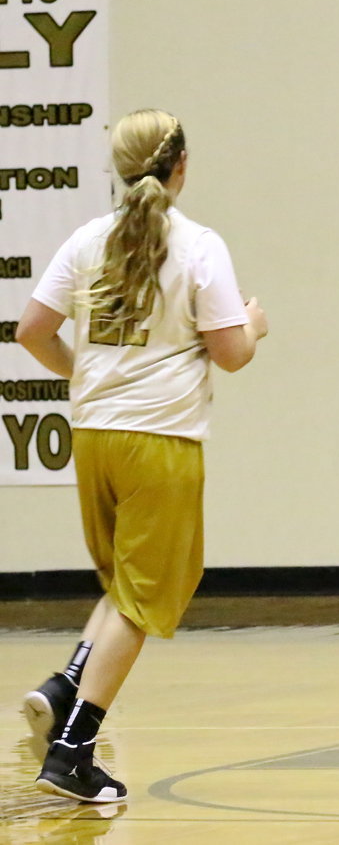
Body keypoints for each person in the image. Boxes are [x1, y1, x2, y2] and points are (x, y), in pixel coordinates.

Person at [17, 109, 269, 802]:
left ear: (118, 169)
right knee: (147, 595)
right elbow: (231, 353)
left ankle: (66, 685)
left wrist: (83, 374)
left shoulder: (87, 239)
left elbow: (32, 330)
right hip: (161, 437)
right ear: (180, 166)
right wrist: (254, 323)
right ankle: (72, 749)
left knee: (126, 587)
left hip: (95, 434)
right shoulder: (198, 245)